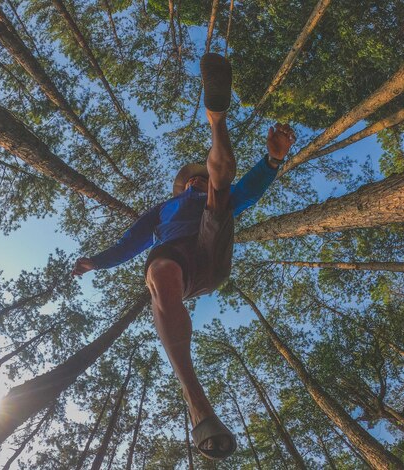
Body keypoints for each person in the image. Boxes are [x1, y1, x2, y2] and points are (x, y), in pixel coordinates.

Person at [72, 53, 295, 460]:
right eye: (189, 177)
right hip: (183, 267)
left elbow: (250, 187)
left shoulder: (212, 191)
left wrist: (273, 159)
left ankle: (216, 116)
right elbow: (129, 244)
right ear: (178, 187)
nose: (195, 179)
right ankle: (197, 401)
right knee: (158, 268)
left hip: (212, 244)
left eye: (198, 175)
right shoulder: (161, 211)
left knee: (223, 188)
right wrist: (96, 262)